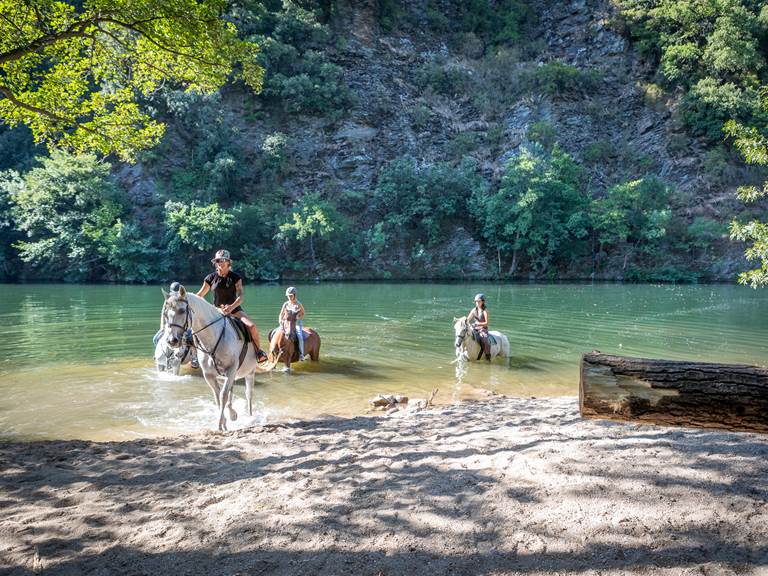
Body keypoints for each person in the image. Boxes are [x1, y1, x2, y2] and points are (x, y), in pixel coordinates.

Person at [196, 249, 268, 363]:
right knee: (197, 327)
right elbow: (199, 296)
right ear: (216, 262)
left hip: (234, 309)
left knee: (252, 326)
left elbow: (241, 297)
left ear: (229, 262)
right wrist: (189, 300)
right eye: (218, 260)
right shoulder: (210, 278)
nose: (221, 262)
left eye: (224, 260)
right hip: (216, 310)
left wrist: (231, 307)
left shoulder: (236, 277)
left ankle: (259, 352)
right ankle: (195, 356)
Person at [279, 287, 306, 361]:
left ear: (294, 295)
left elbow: (303, 313)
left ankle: (301, 354)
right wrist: (280, 321)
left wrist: (298, 318)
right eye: (288, 296)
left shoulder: (298, 304)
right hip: (286, 323)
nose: (289, 297)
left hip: (296, 324)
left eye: (291, 295)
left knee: (300, 336)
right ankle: (274, 352)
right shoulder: (285, 304)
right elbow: (281, 314)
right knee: (276, 333)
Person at [467, 293, 491, 361]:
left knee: (485, 340)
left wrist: (478, 323)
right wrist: (463, 321)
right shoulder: (474, 310)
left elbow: (486, 323)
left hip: (483, 329)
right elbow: (468, 319)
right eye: (476, 302)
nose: (477, 303)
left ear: (483, 302)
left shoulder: (485, 311)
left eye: (479, 301)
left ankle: (487, 356)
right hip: (474, 328)